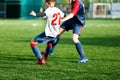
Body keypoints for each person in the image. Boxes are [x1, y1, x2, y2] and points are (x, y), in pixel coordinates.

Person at [30, 0, 64, 65]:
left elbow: (44, 14)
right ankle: (46, 55)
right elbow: (63, 15)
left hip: (49, 33)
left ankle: (40, 59)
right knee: (50, 43)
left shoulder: (49, 9)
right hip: (56, 33)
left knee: (32, 42)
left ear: (47, 3)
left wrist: (35, 14)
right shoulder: (58, 10)